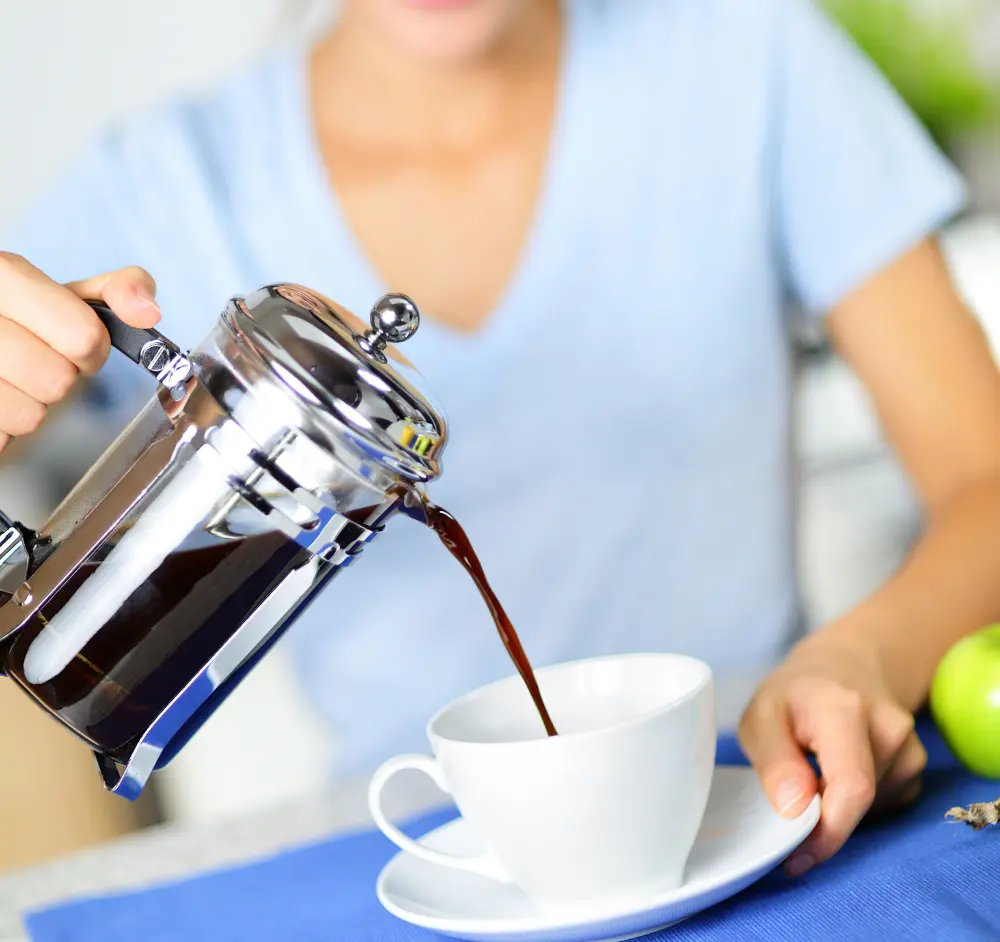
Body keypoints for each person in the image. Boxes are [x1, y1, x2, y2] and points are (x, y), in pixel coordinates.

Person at [2, 0, 1000, 878]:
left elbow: (984, 477)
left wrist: (870, 654)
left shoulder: (747, 57)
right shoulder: (166, 179)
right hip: (406, 850)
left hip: (761, 793)